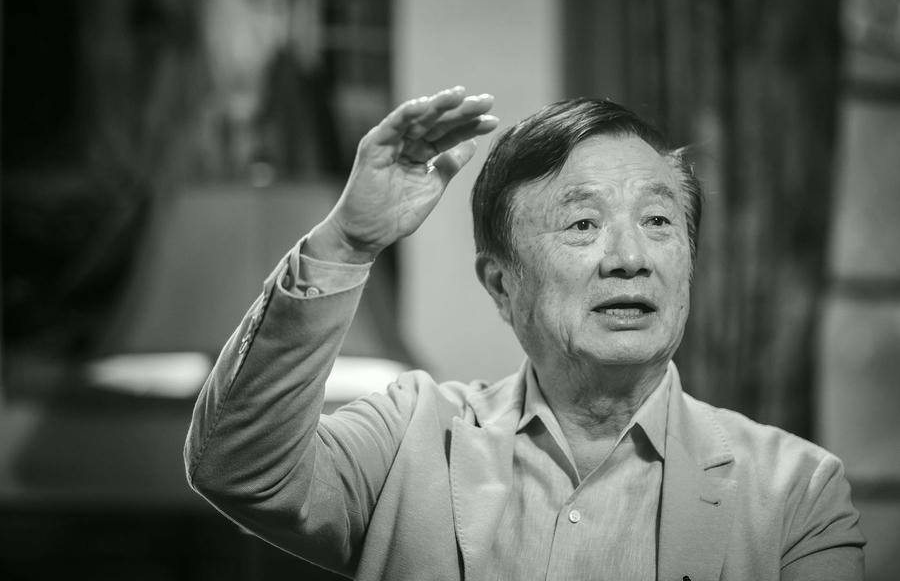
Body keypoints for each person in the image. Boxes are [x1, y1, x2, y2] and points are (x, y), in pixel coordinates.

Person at [184, 86, 865, 580]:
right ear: (501, 285)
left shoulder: (794, 493)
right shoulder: (408, 440)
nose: (631, 257)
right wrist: (347, 242)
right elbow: (238, 468)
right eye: (583, 224)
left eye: (659, 222)